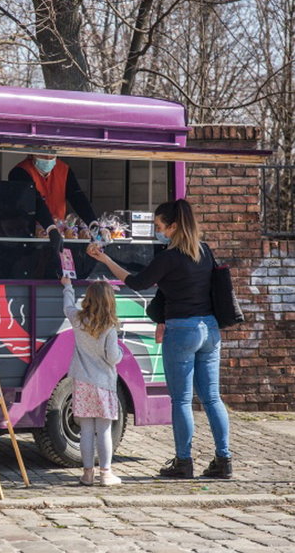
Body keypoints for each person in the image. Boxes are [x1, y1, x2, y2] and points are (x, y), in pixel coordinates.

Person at [86, 199, 232, 479]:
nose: (157, 230)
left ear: (174, 226)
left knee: (181, 400)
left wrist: (105, 259)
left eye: (159, 226)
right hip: (210, 330)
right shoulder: (204, 251)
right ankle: (224, 460)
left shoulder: (169, 257)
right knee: (212, 397)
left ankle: (183, 462)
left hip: (182, 332)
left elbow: (137, 282)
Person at [61, 276, 123, 486]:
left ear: (88, 299)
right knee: (103, 429)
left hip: (83, 382)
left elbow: (67, 306)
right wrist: (121, 353)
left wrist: (67, 286)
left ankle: (87, 474)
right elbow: (113, 357)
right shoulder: (109, 327)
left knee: (86, 429)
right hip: (104, 384)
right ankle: (106, 474)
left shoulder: (78, 320)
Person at [8, 154, 98, 256]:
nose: (48, 158)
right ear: (33, 153)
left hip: (58, 233)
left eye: (52, 156)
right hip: (30, 235)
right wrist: (50, 228)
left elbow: (77, 196)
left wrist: (93, 223)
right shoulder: (20, 172)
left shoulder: (63, 169)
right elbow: (35, 200)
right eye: (43, 155)